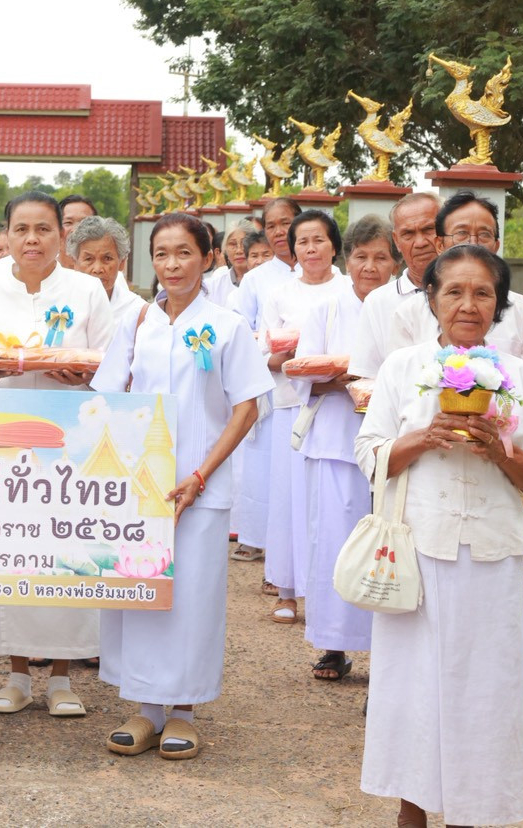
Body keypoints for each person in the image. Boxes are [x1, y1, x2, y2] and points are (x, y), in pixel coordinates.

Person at [355, 245, 523, 827]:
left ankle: (476, 813)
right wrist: (425, 434)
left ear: (500, 305)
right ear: (432, 299)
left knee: (485, 692)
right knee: (414, 690)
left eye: (483, 294)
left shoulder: (518, 377)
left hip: (491, 557)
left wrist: (501, 451)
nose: (468, 305)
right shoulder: (402, 369)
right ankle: (411, 813)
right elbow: (369, 455)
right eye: (454, 292)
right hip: (416, 552)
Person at [90, 213, 271, 760]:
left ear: (208, 256)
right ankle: (143, 710)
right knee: (141, 593)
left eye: (184, 253)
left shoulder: (228, 324)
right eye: (162, 254)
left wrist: (200, 475)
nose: (172, 265)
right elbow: (111, 393)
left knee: (191, 598)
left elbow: (246, 407)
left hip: (201, 485)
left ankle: (185, 712)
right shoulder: (138, 321)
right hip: (142, 486)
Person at [0, 191, 115, 717]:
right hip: (6, 435)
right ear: (6, 233)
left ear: (61, 236)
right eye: (22, 228)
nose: (32, 239)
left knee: (69, 551)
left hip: (70, 434)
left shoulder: (88, 290)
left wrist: (87, 375)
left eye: (44, 229)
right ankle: (18, 674)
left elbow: (112, 367)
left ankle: (65, 679)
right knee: (14, 550)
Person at [292, 215, 397, 683]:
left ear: (394, 263)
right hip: (334, 440)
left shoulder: (409, 308)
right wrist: (348, 380)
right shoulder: (326, 309)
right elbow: (304, 375)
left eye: (380, 257)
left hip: (392, 445)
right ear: (346, 259)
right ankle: (333, 644)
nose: (370, 267)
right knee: (333, 541)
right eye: (361, 256)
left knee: (389, 545)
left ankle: (391, 650)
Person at [260, 209, 347, 623]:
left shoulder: (348, 290)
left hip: (338, 404)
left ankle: (331, 593)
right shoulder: (280, 293)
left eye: (319, 240)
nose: (311, 249)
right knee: (289, 498)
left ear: (334, 245)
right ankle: (287, 588)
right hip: (291, 403)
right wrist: (290, 358)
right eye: (302, 242)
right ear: (293, 250)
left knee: (330, 501)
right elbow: (263, 353)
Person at [388, 192, 523, 378]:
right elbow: (399, 384)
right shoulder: (408, 312)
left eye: (484, 234)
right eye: (461, 233)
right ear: (439, 244)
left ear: (496, 246)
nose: (473, 242)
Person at [230, 199, 300, 569]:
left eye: (285, 223)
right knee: (264, 467)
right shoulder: (255, 279)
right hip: (269, 381)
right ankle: (257, 537)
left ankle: (295, 548)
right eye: (271, 225)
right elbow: (240, 331)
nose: (277, 231)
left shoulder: (323, 272)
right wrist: (269, 356)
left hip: (312, 387)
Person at [348, 193, 439, 380]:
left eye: (428, 229)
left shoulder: (472, 295)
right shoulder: (377, 302)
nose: (420, 242)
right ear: (396, 241)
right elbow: (365, 378)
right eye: (408, 234)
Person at [68, 215, 143, 328]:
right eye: (89, 259)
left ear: (122, 262)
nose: (98, 269)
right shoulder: (59, 304)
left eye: (107, 259)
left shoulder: (137, 311)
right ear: (75, 262)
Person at [56, 194, 98, 268]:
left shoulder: (110, 276)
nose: (76, 230)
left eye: (84, 222)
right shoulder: (43, 272)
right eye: (68, 222)